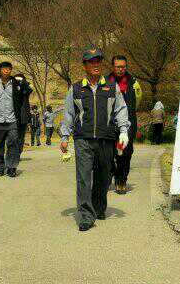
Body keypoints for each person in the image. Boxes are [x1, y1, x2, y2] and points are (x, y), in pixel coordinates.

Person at [60, 47, 130, 232]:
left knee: (104, 176)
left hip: (106, 139)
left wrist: (123, 131)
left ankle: (98, 207)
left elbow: (121, 110)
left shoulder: (112, 87)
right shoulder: (75, 89)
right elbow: (68, 114)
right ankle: (86, 215)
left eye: (98, 61)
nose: (95, 64)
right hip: (83, 139)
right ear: (85, 65)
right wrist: (65, 136)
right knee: (84, 178)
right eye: (91, 62)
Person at [0, 62, 29, 177]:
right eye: (4, 69)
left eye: (8, 69)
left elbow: (24, 96)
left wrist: (23, 83)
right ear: (0, 70)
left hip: (12, 119)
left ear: (11, 70)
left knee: (13, 144)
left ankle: (11, 167)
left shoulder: (16, 83)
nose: (6, 71)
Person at [107, 55, 143, 195]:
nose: (121, 69)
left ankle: (121, 180)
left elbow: (138, 100)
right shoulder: (105, 81)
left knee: (125, 153)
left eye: (123, 66)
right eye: (118, 67)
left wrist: (129, 113)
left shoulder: (133, 82)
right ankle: (112, 174)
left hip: (128, 123)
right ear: (113, 67)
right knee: (110, 153)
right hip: (110, 123)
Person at [14, 72, 33, 158]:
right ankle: (13, 153)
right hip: (12, 116)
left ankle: (18, 152)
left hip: (23, 116)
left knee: (21, 136)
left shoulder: (25, 89)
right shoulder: (11, 87)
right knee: (13, 136)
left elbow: (30, 90)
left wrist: (23, 82)